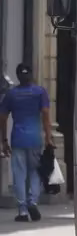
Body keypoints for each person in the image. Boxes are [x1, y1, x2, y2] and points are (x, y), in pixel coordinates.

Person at [0, 63, 55, 222]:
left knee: (19, 174)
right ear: (31, 75)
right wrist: (48, 136)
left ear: (18, 76)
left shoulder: (11, 94)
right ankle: (33, 201)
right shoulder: (40, 92)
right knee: (35, 172)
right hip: (34, 139)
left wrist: (4, 140)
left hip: (17, 139)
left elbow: (2, 118)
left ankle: (23, 210)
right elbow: (45, 114)